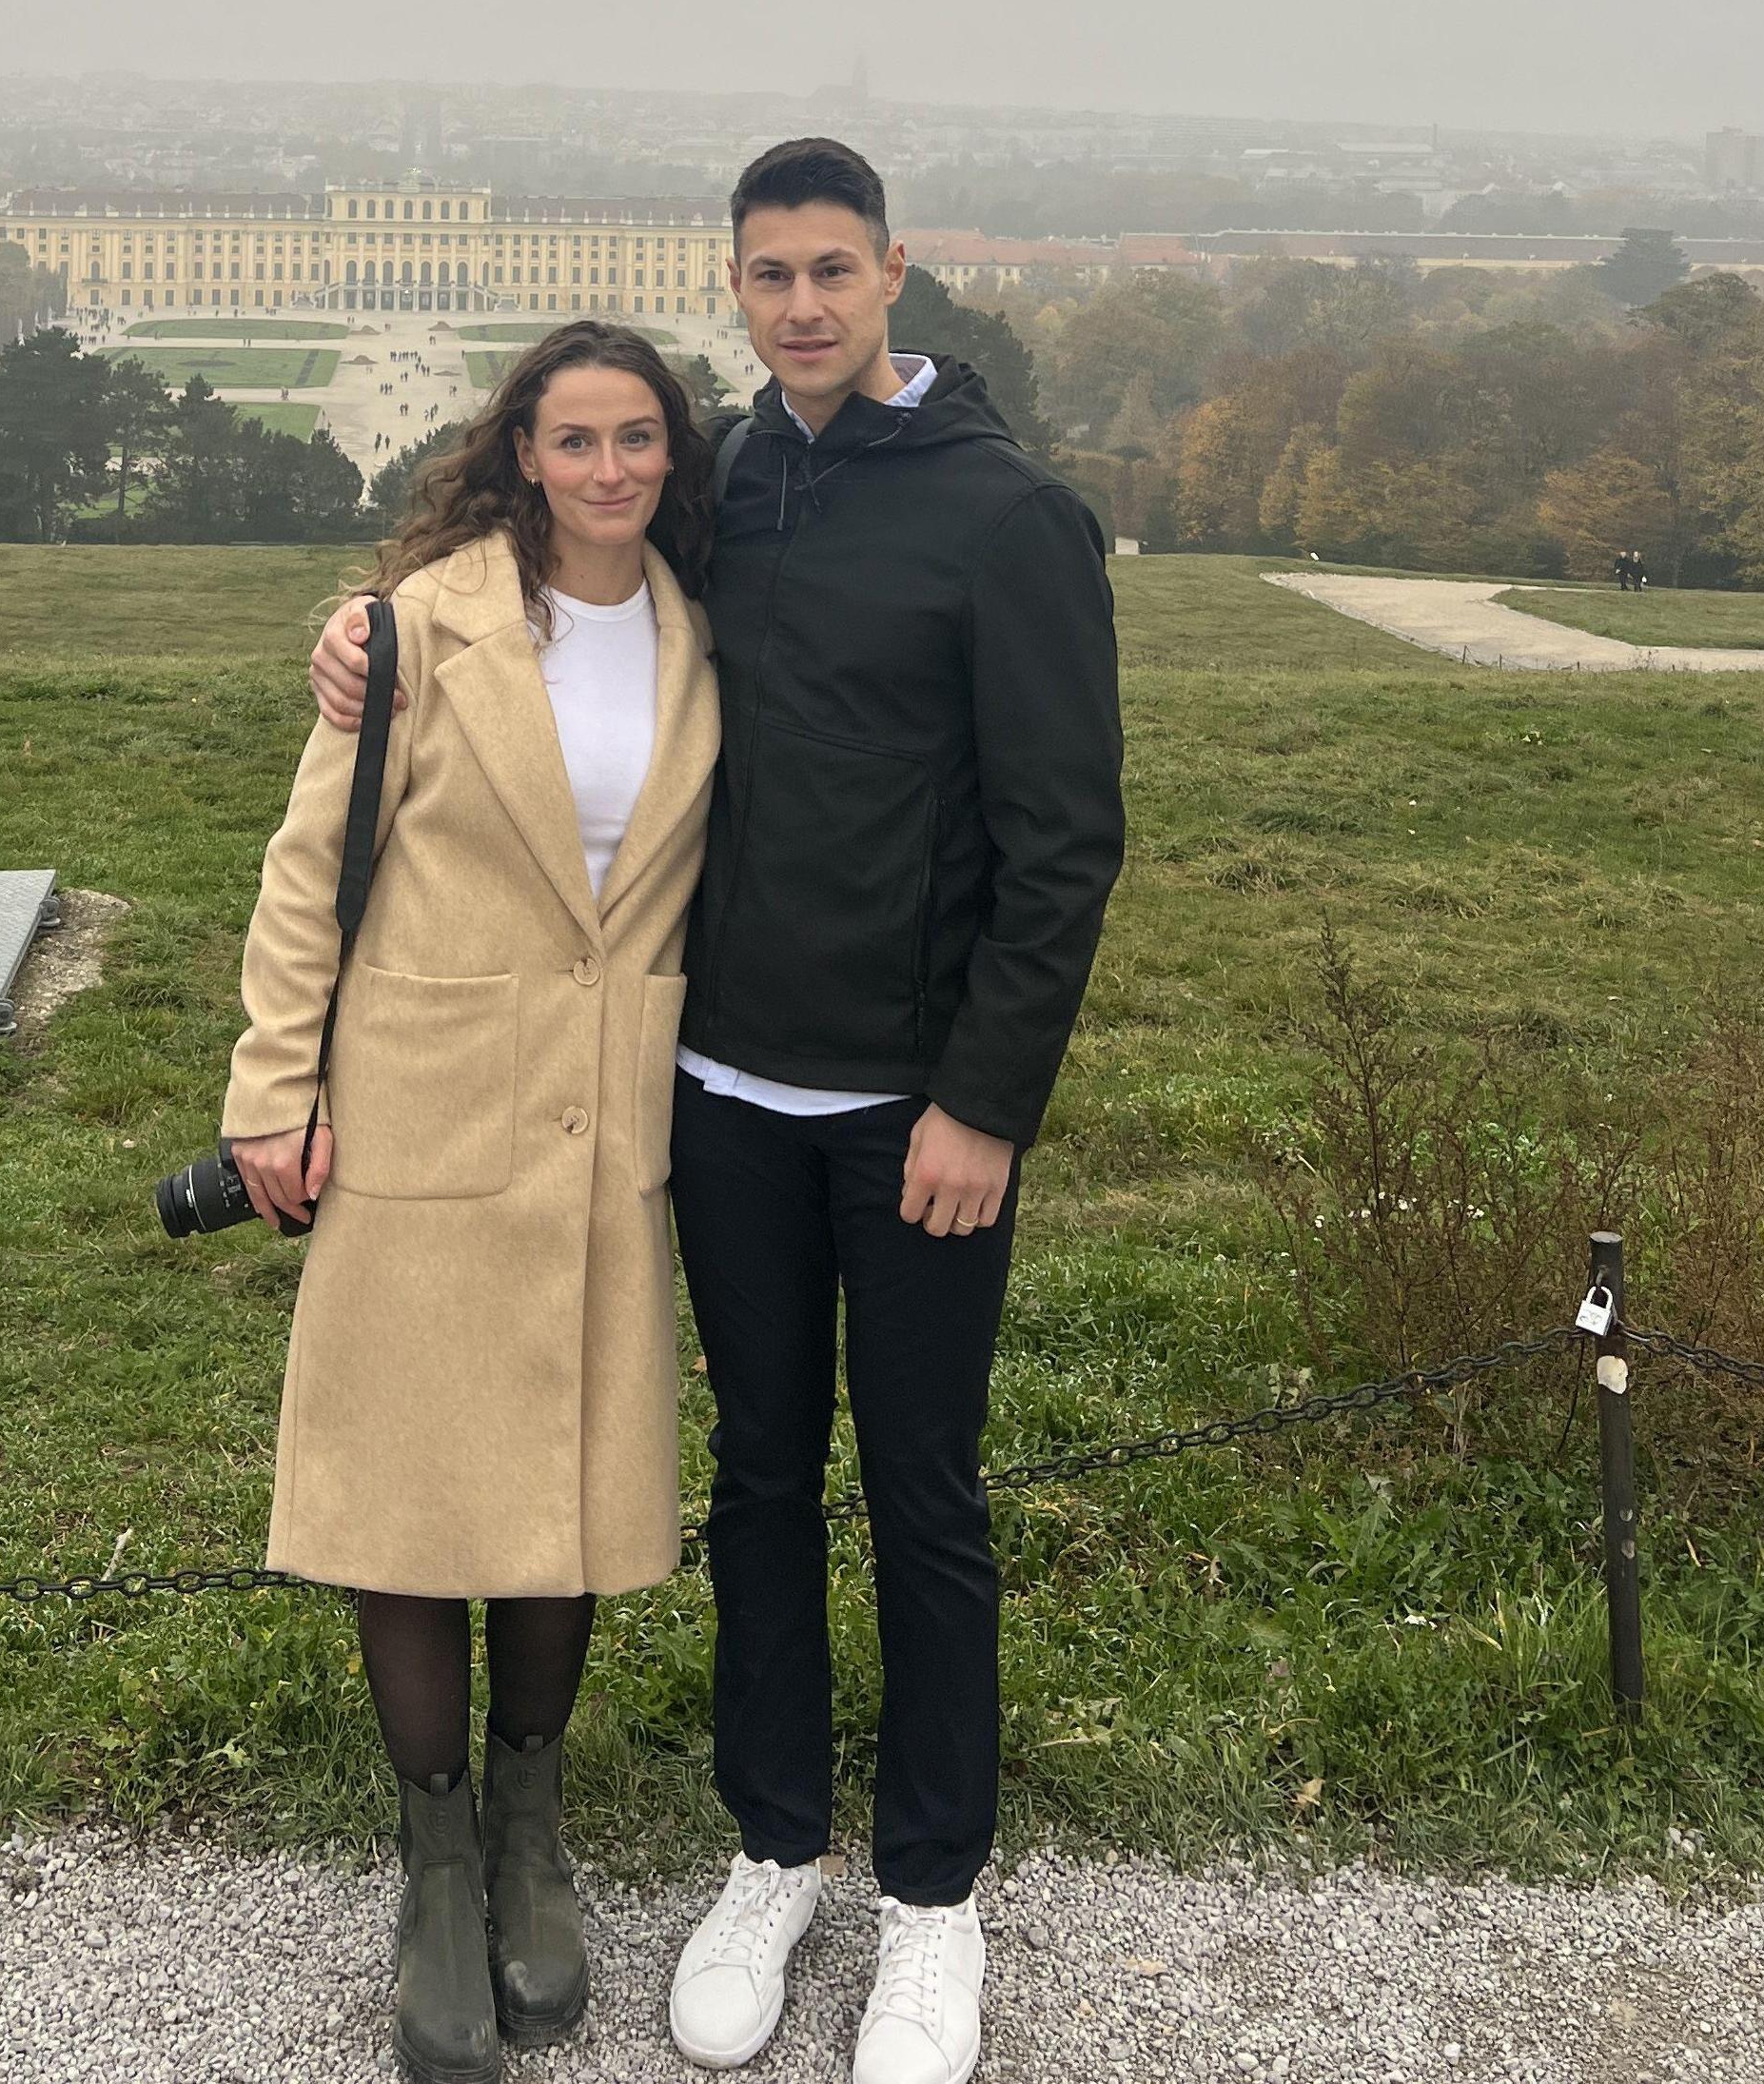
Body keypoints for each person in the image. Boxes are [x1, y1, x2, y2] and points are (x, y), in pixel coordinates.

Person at [316, 138, 1127, 2084]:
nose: (803, 305)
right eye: (770, 275)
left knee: (922, 1494)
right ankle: (776, 1848)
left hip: (915, 1115)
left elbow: (1065, 841)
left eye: (833, 269)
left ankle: (930, 1896)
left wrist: (985, 1102)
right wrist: (368, 628)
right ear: (737, 288)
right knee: (761, 1483)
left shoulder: (1010, 516)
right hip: (725, 1096)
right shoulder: (729, 479)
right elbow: (558, 583)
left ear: (894, 271)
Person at [227, 318, 723, 2084]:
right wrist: (271, 1088)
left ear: (671, 454)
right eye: (573, 439)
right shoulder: (415, 629)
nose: (606, 469)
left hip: (599, 1120)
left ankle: (528, 1831)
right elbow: (311, 867)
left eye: (636, 438)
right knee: (415, 1490)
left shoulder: (704, 628)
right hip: (424, 1101)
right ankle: (437, 1862)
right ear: (521, 450)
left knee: (561, 1490)